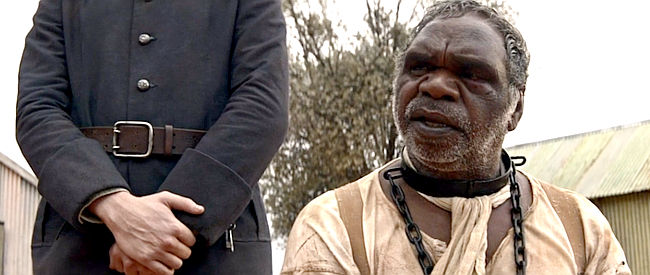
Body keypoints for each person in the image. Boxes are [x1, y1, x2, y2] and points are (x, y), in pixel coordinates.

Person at [281, 1, 630, 274]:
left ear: (516, 107)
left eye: (470, 74)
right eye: (419, 67)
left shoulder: (579, 228)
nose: (435, 86)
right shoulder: (335, 226)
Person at [16, 0, 288, 274]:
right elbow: (37, 109)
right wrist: (112, 206)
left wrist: (167, 229)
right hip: (81, 246)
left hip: (216, 250)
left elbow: (262, 107)